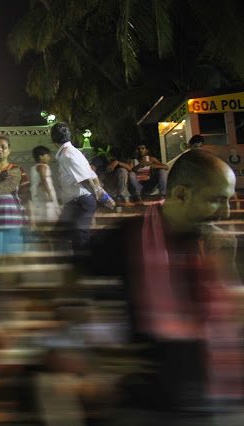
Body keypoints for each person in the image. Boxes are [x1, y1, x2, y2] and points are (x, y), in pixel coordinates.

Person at [90, 150, 244, 425]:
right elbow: (71, 281)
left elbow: (232, 318)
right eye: (216, 200)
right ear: (182, 194)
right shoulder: (128, 238)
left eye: (228, 201)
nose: (227, 212)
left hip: (217, 400)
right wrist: (98, 349)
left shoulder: (220, 244)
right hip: (146, 407)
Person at [51, 122, 99, 251]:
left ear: (53, 140)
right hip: (76, 203)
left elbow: (87, 180)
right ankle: (73, 267)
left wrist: (96, 197)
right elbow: (94, 177)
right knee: (63, 236)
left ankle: (82, 268)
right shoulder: (74, 152)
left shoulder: (68, 154)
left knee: (79, 239)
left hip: (80, 202)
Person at [30, 145, 61, 225]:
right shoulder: (42, 167)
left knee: (41, 212)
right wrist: (48, 193)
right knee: (48, 210)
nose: (49, 157)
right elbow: (43, 179)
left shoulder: (33, 167)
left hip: (37, 192)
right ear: (41, 157)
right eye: (47, 155)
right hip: (44, 192)